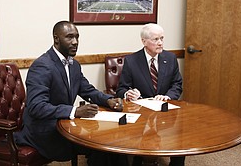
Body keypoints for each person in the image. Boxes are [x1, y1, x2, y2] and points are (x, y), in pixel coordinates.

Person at [14, 21, 128, 166]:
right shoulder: (42, 65)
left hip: (65, 125)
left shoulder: (74, 64)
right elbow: (36, 107)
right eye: (69, 37)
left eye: (77, 37)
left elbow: (88, 90)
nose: (75, 42)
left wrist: (108, 100)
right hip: (44, 132)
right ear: (56, 39)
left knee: (112, 142)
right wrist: (75, 111)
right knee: (100, 145)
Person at [115, 23, 185, 166]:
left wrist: (168, 96)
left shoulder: (170, 58)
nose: (160, 43)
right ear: (144, 41)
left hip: (166, 112)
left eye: (162, 38)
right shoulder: (132, 61)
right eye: (155, 39)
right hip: (141, 115)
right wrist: (129, 93)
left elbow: (177, 84)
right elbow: (121, 89)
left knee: (180, 141)